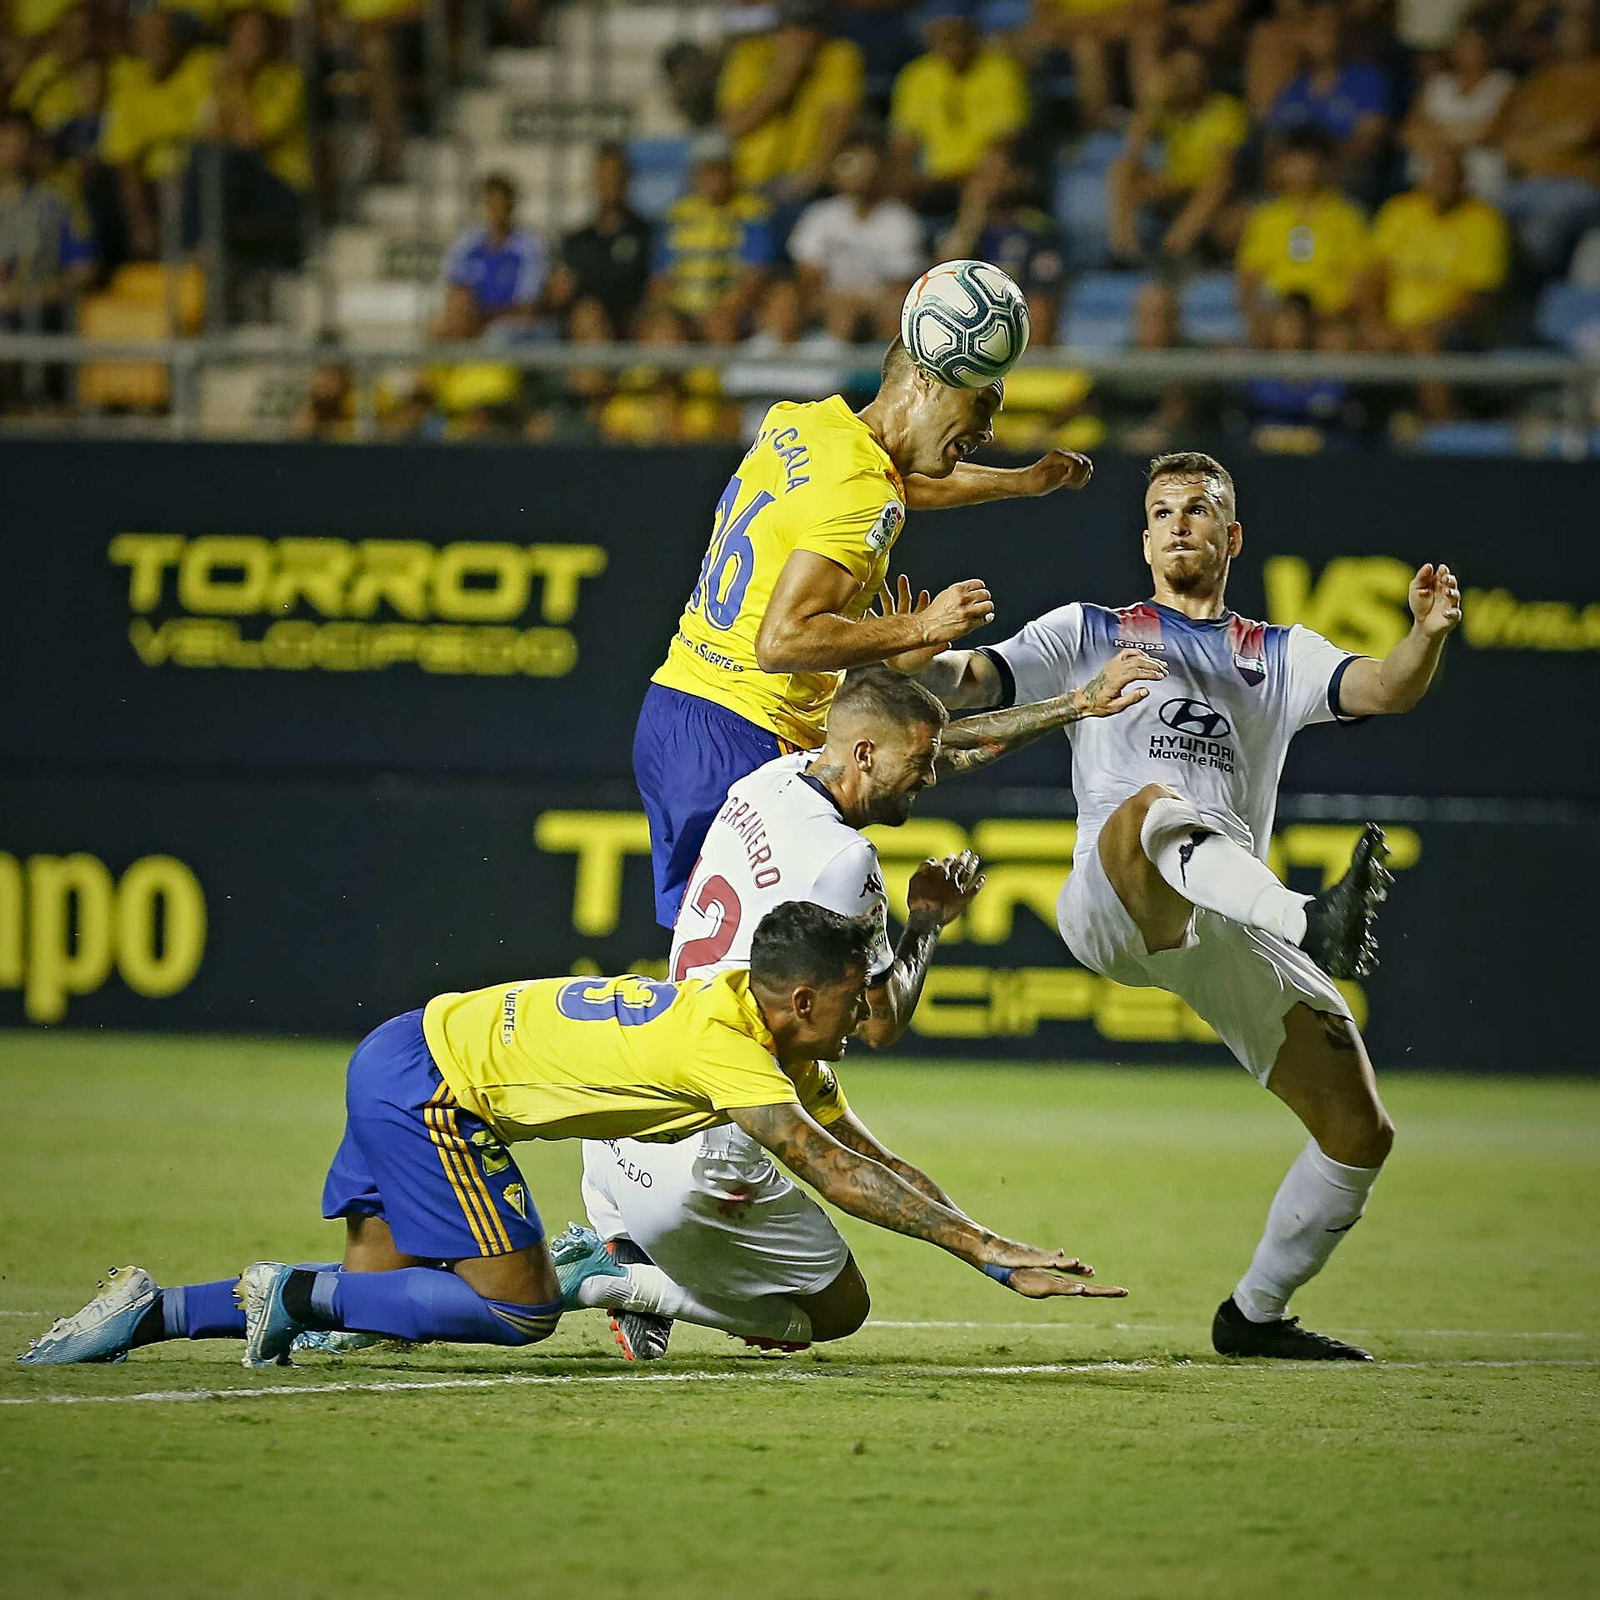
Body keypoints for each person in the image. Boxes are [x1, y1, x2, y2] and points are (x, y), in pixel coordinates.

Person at [17, 902, 1115, 1370]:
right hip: (433, 1094)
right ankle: (288, 1291)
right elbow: (830, 1173)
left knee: (384, 1312)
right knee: (515, 1308)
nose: (861, 1018)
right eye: (846, 1002)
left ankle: (148, 1312)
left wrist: (987, 1235)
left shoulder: (744, 1011)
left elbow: (866, 1156)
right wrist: (979, 1257)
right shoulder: (729, 1047)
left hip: (403, 1040)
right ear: (793, 998)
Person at [902, 450, 1463, 1360]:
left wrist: (1427, 632)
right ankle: (1307, 919)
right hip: (1112, 896)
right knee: (1153, 805)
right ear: (1145, 538)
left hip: (1223, 911)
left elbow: (1386, 687)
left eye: (1197, 510)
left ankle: (1256, 1315)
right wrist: (917, 645)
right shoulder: (1089, 632)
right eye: (1160, 511)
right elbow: (971, 683)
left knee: (1360, 1130)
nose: (1177, 525)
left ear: (1230, 536)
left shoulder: (1278, 653)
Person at [587, 658, 1160, 1360]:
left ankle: (625, 1238)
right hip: (715, 1152)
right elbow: (881, 1021)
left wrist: (1071, 706)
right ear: (863, 754)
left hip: (625, 1110)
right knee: (836, 1311)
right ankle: (636, 1282)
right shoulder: (841, 863)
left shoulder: (768, 781)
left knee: (815, 1143)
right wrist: (927, 920)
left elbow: (939, 745)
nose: (930, 776)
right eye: (919, 764)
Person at [635, 330, 1096, 931]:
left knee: (702, 948)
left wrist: (1019, 481)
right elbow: (782, 643)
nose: (987, 430)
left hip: (676, 710)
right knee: (768, 974)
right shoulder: (862, 491)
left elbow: (896, 487)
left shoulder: (804, 423)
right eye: (981, 404)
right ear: (929, 380)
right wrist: (917, 626)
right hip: (748, 735)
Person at [1362, 141, 1508, 418]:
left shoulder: (1484, 222)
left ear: (1463, 179)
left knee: (1422, 340)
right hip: (1393, 324)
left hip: (1454, 330)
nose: (1442, 181)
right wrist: (1373, 324)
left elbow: (1475, 299)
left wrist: (1418, 329)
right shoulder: (1399, 211)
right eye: (1435, 174)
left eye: (1449, 175)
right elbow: (1372, 277)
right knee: (1338, 339)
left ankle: (1440, 432)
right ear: (1422, 178)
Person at [716, 0, 865, 207]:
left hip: (808, 184)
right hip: (749, 181)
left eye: (808, 28)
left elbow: (839, 122)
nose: (799, 37)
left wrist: (810, 178)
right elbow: (734, 126)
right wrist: (784, 81)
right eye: (789, 28)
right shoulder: (748, 55)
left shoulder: (839, 56)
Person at [1107, 44, 1247, 264]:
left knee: (1217, 180)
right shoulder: (1165, 106)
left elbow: (1223, 169)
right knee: (1122, 169)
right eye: (1178, 73)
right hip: (1175, 186)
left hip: (1210, 194)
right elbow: (1133, 150)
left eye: (1192, 73)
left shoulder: (1224, 109)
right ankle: (1124, 251)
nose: (1185, 79)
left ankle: (1173, 249)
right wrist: (1151, 102)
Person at [889, 0, 1030, 212]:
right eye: (941, 36)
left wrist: (966, 177)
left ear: (972, 34)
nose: (949, 43)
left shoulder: (1000, 70)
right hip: (933, 180)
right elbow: (904, 143)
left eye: (956, 34)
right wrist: (904, 179)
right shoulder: (916, 76)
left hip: (982, 178)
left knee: (994, 176)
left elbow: (1004, 141)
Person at [1236, 128, 1369, 348]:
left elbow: (1359, 283)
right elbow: (1248, 277)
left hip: (1329, 317)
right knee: (1282, 330)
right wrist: (1255, 316)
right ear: (1284, 166)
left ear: (1325, 166)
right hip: (1278, 313)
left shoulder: (1347, 218)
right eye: (1296, 162)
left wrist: (1326, 316)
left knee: (1337, 340)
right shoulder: (1266, 218)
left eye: (1310, 162)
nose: (1305, 169)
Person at [787, 134, 922, 342]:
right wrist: (836, 301)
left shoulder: (899, 219)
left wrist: (863, 303)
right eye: (851, 164)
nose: (860, 173)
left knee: (895, 311)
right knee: (785, 300)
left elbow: (901, 284)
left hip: (878, 302)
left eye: (867, 165)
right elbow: (807, 278)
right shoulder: (821, 215)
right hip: (830, 301)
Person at [650, 133, 776, 344]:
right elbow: (660, 281)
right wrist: (671, 312)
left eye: (719, 169)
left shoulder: (752, 213)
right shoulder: (677, 215)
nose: (713, 178)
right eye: (706, 170)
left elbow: (753, 279)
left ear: (731, 171)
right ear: (694, 174)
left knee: (720, 326)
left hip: (727, 312)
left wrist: (719, 310)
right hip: (682, 312)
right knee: (664, 330)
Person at [550, 142, 653, 339]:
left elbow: (652, 290)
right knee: (587, 316)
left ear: (627, 180)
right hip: (585, 327)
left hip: (631, 329)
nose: (611, 182)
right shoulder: (576, 241)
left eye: (616, 174)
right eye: (605, 175)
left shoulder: (646, 234)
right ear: (594, 181)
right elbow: (558, 297)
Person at [439, 171, 549, 340]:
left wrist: (482, 320)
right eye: (491, 204)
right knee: (437, 330)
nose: (496, 212)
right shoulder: (466, 244)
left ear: (511, 206)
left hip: (505, 324)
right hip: (470, 321)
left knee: (497, 336)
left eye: (501, 205)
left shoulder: (529, 248)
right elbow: (453, 291)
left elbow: (526, 306)